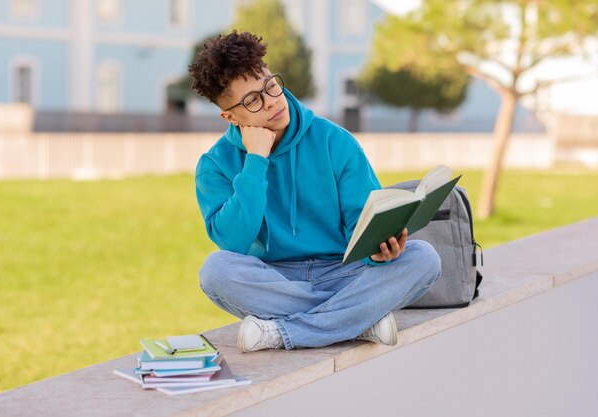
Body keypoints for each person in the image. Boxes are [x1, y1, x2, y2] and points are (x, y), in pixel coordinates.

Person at [189, 31, 441, 353]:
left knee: (424, 259)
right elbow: (233, 241)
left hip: (345, 270)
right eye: (252, 100)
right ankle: (358, 317)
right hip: (276, 278)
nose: (272, 102)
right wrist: (255, 162)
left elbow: (362, 225)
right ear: (230, 116)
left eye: (271, 85)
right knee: (216, 271)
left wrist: (379, 253)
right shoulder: (215, 165)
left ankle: (283, 331)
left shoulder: (334, 141)